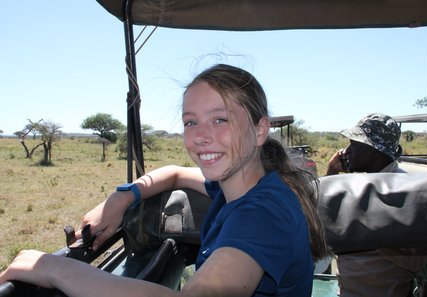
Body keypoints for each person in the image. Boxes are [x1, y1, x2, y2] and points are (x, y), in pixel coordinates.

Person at [0, 64, 328, 297]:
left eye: (220, 119)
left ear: (259, 130)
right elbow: (174, 172)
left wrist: (56, 269)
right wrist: (121, 198)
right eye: (190, 122)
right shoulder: (240, 184)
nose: (200, 137)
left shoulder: (261, 215)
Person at [326, 113, 427, 297]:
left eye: (354, 145)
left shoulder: (403, 190)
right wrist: (332, 172)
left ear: (373, 151)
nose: (346, 151)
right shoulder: (366, 184)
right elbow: (324, 218)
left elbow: (417, 261)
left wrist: (374, 232)